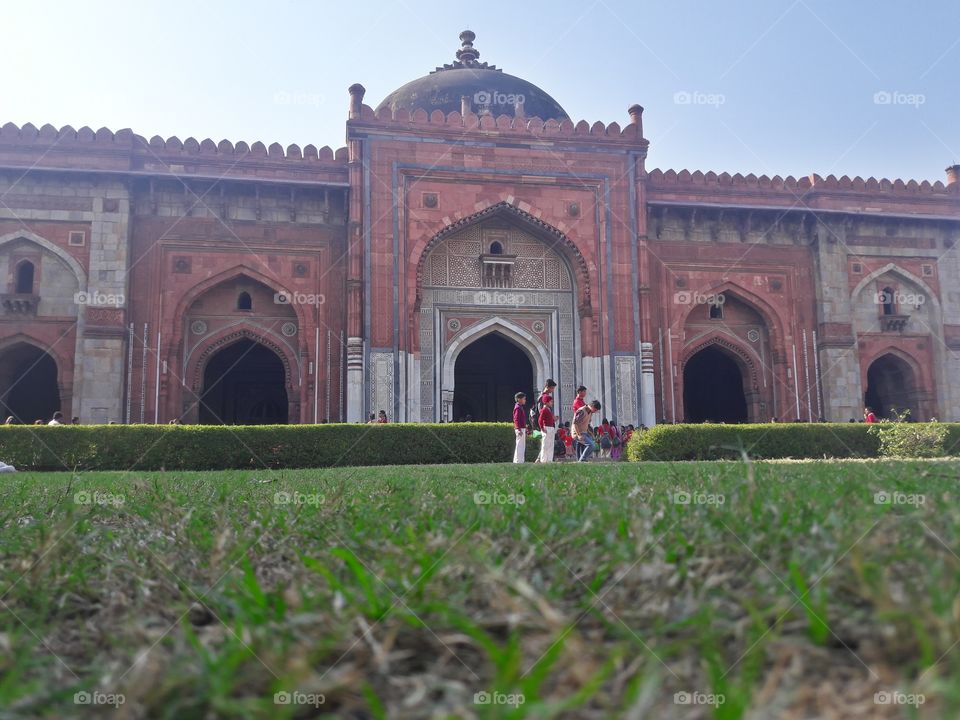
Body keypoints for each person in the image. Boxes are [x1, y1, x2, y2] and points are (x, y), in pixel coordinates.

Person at [537, 394, 557, 463]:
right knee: (545, 445)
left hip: (551, 428)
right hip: (546, 428)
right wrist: (542, 428)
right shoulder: (544, 409)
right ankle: (543, 460)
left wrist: (554, 419)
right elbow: (540, 420)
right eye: (551, 401)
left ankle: (549, 459)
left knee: (550, 445)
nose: (552, 403)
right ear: (546, 402)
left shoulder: (548, 410)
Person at [512, 392, 528, 463]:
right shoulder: (518, 408)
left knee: (521, 445)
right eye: (524, 399)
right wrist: (518, 429)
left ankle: (520, 460)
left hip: (522, 428)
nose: (525, 400)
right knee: (519, 445)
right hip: (520, 428)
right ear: (519, 399)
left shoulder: (520, 407)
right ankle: (518, 461)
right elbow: (516, 419)